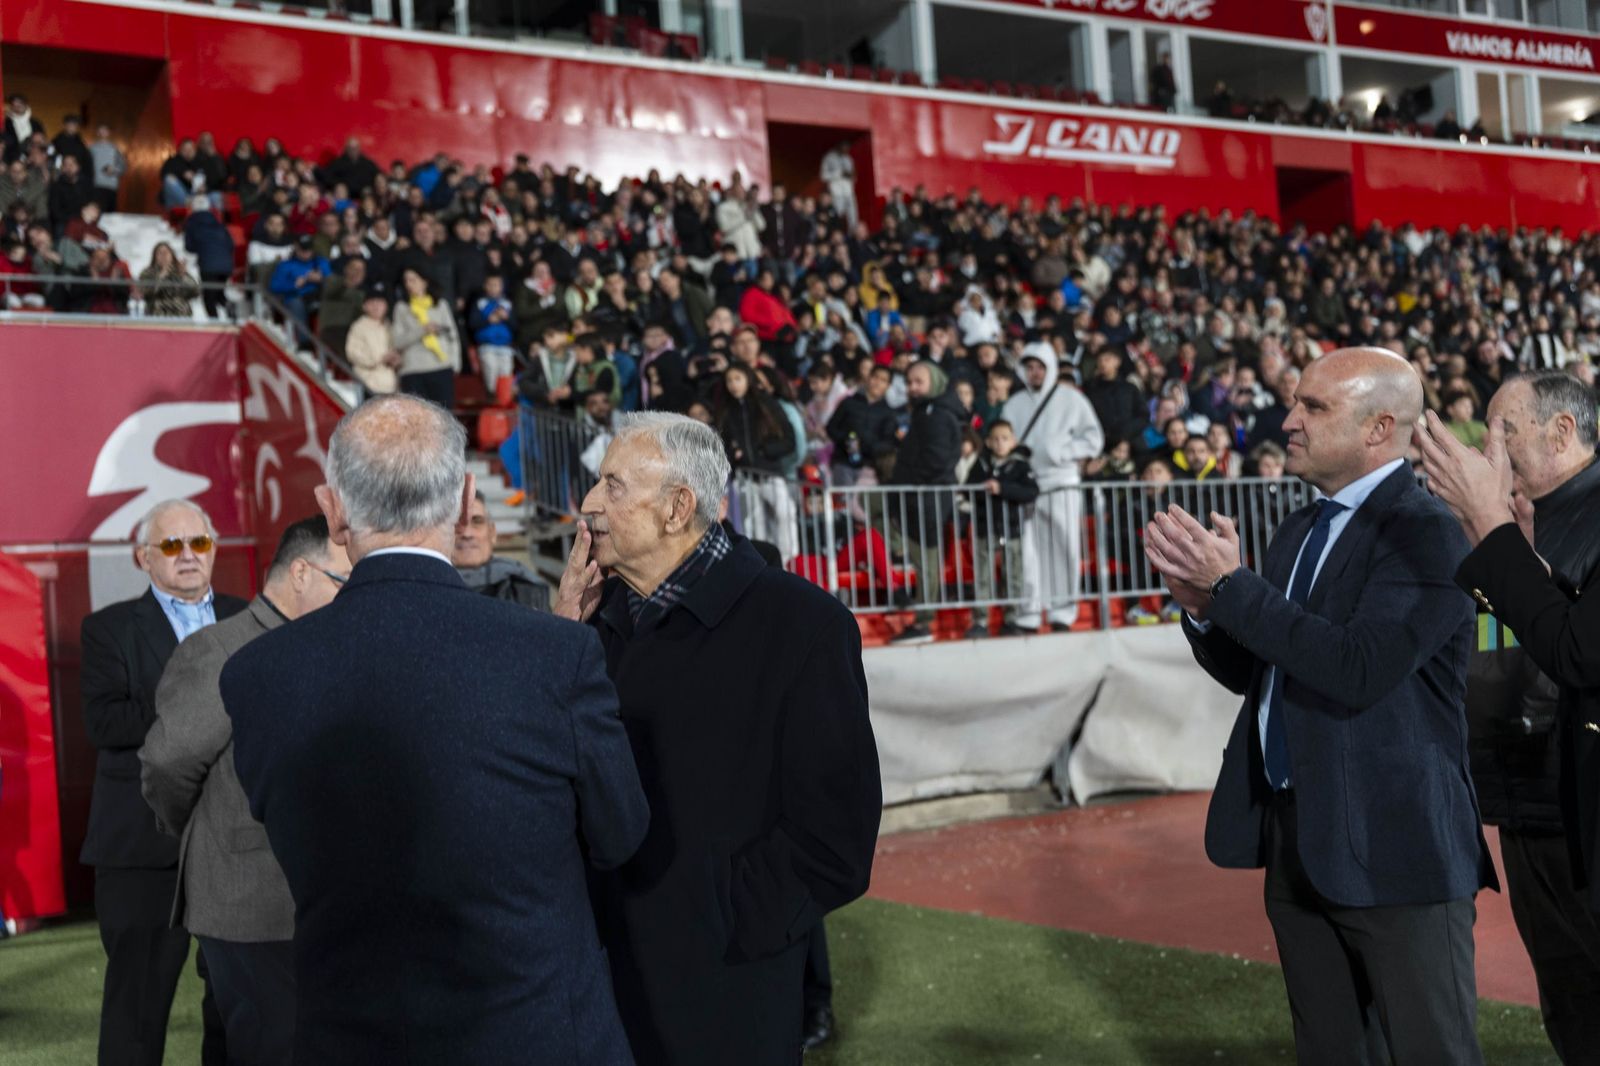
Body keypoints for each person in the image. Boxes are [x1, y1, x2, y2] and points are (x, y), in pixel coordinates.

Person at [220, 395, 649, 1063]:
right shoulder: (553, 655)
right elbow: (619, 832)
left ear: (333, 510)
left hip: (353, 1041)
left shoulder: (255, 675)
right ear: (464, 498)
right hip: (539, 1036)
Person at [1147, 347, 1497, 1065]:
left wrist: (1236, 590)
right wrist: (1209, 611)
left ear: (1379, 428)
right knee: (1330, 1051)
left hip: (1398, 845)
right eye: (1295, 403)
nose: (1289, 421)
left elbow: (1358, 669)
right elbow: (1268, 672)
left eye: (1314, 407)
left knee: (1432, 1052)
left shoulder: (1427, 530)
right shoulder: (1300, 530)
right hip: (1300, 839)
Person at [554, 412, 881, 1066]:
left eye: (612, 486)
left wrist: (730, 919)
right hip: (599, 980)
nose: (589, 505)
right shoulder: (591, 617)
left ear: (678, 508)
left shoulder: (803, 626)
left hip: (726, 992)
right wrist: (563, 638)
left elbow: (836, 836)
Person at [1415, 371, 1600, 1063]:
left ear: (1563, 431)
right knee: (1569, 1002)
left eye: (1506, 430)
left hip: (1583, 808)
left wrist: (1496, 534)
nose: (1488, 448)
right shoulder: (1506, 520)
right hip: (1523, 806)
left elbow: (1577, 652)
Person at [139, 516, 350, 1066]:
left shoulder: (323, 644)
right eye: (343, 583)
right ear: (301, 573)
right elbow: (167, 763)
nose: (352, 599)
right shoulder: (220, 648)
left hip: (308, 904)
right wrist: (204, 829)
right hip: (249, 904)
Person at [80, 499, 244, 1066]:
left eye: (198, 543)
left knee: (238, 1008)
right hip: (142, 848)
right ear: (143, 558)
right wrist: (204, 708)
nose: (188, 556)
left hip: (237, 845)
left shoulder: (250, 618)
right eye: (172, 546)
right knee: (136, 1016)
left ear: (214, 549)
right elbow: (105, 722)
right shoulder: (108, 629)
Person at [1002, 343, 1104, 632]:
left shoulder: (1072, 399)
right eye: (1029, 367)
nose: (1034, 373)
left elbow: (1094, 439)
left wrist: (1062, 451)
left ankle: (1062, 612)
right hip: (1025, 485)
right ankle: (1029, 614)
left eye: (1040, 367)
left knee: (1065, 547)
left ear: (1050, 368)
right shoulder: (1014, 403)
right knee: (1028, 553)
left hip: (1062, 483)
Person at [889, 360, 967, 644]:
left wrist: (912, 482)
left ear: (933, 381)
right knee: (924, 559)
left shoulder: (935, 414)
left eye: (918, 381)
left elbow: (937, 460)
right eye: (909, 382)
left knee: (927, 561)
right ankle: (923, 618)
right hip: (922, 496)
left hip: (927, 497)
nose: (912, 388)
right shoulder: (928, 412)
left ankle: (924, 622)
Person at [964, 419, 1040, 632]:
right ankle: (980, 620)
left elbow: (1031, 492)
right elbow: (967, 489)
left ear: (1013, 440)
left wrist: (1002, 488)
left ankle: (1011, 618)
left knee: (1013, 574)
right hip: (984, 528)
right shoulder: (981, 464)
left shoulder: (1021, 465)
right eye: (995, 439)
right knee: (983, 576)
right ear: (988, 442)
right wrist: (983, 488)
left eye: (1004, 438)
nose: (1000, 443)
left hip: (1012, 528)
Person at [452, 490, 551, 612]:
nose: (467, 534)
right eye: (457, 524)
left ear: (492, 533)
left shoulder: (525, 588)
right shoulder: (426, 589)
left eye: (477, 521)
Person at [392, 266, 461, 408]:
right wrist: (422, 330)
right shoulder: (401, 308)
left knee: (445, 419)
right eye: (406, 281)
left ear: (424, 282)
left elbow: (452, 335)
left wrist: (454, 362)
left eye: (413, 280)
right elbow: (397, 342)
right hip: (413, 370)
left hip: (441, 367)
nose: (408, 284)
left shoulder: (440, 305)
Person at [345, 284, 400, 395]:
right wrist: (379, 359)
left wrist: (397, 360)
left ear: (386, 306)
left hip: (392, 385)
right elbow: (352, 353)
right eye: (372, 302)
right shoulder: (358, 326)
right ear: (364, 306)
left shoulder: (390, 326)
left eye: (380, 302)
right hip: (369, 384)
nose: (376, 306)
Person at [469, 273, 516, 395]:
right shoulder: (480, 303)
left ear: (502, 287)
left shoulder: (507, 304)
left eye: (497, 285)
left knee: (506, 376)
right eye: (491, 284)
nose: (494, 287)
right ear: (485, 286)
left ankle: (504, 399)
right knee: (491, 374)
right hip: (487, 347)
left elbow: (516, 326)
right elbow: (472, 324)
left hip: (506, 347)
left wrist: (507, 318)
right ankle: (493, 397)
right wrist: (488, 320)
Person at [138, 242, 200, 318]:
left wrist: (182, 276)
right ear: (154, 257)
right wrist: (161, 277)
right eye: (160, 253)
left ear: (172, 256)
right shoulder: (147, 273)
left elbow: (195, 292)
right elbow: (144, 292)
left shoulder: (180, 272)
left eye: (166, 252)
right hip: (156, 315)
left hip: (181, 315)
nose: (163, 255)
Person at [89, 124, 128, 213]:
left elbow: (123, 167)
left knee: (110, 214)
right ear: (97, 133)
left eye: (105, 130)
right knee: (98, 213)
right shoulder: (92, 149)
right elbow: (87, 167)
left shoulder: (114, 149)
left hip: (111, 186)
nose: (103, 133)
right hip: (96, 186)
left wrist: (114, 170)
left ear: (109, 132)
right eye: (101, 130)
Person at [821, 142, 857, 228]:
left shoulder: (848, 159)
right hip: (836, 192)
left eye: (848, 149)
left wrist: (852, 175)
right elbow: (823, 176)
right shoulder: (829, 157)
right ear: (839, 147)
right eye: (844, 148)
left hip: (848, 191)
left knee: (853, 216)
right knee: (838, 215)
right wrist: (839, 173)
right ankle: (837, 234)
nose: (846, 151)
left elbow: (853, 175)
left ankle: (853, 237)